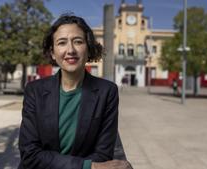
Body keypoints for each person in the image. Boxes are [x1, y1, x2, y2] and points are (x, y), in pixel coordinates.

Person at [18, 14, 133, 169]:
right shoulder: (35, 91)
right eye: (62, 43)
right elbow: (29, 154)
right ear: (53, 52)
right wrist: (87, 167)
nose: (70, 50)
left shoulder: (107, 92)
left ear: (88, 47)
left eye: (78, 42)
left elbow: (103, 154)